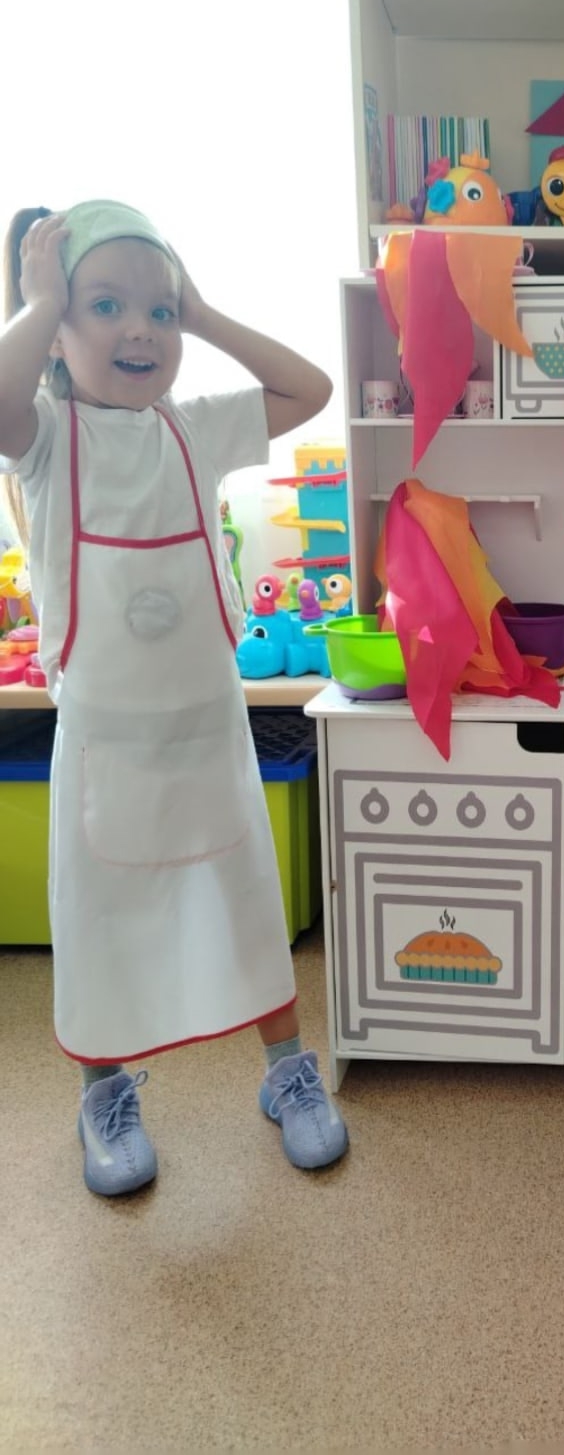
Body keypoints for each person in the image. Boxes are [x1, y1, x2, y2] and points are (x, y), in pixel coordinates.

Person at [0, 201, 349, 1195]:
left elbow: (311, 387)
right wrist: (37, 302)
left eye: (159, 311)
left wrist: (203, 311)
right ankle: (103, 1093)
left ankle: (287, 1070)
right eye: (104, 305)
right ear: (55, 326)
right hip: (104, 752)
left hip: (206, 738)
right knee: (101, 922)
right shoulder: (47, 438)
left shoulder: (196, 429)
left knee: (246, 905)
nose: (140, 330)